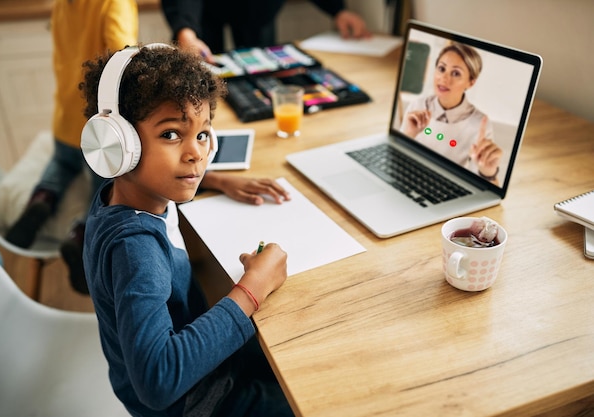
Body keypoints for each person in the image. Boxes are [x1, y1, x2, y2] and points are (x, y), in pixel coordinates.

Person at [80, 43, 294, 416]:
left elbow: (164, 167)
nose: (195, 153)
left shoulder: (124, 196)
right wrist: (252, 289)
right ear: (119, 146)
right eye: (171, 135)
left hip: (202, 370)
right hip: (200, 401)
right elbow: (158, 380)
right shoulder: (136, 251)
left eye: (202, 134)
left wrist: (215, 180)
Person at [5, 0, 139, 293]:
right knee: (103, 189)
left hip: (65, 116)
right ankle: (81, 235)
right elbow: (122, 59)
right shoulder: (114, 3)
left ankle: (41, 199)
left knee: (63, 164)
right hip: (97, 124)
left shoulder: (62, 5)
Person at [400, 42, 503, 185]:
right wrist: (408, 134)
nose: (444, 78)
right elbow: (397, 157)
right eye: (441, 69)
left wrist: (488, 173)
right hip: (408, 178)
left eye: (456, 73)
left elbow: (484, 188)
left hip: (446, 187)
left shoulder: (479, 124)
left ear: (471, 83)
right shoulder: (417, 106)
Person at [161, 0, 371, 59]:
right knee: (206, 78)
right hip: (204, 13)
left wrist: (338, 10)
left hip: (259, 13)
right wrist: (185, 29)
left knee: (261, 72)